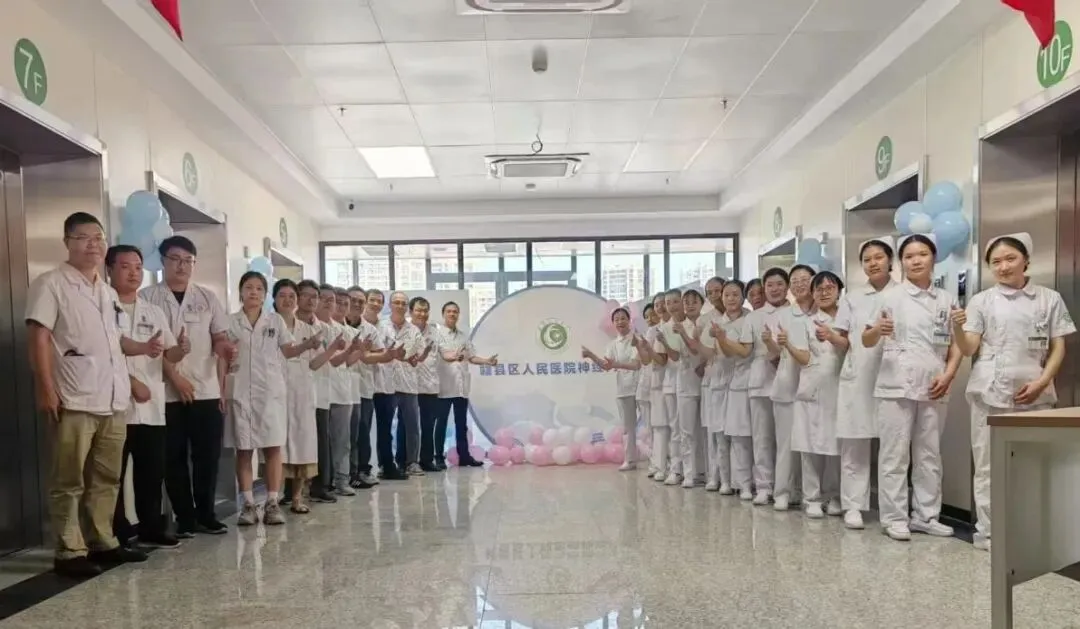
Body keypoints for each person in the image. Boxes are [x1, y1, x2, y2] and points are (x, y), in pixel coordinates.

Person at [26, 213, 149, 576]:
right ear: (67, 242)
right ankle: (69, 550)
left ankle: (102, 541)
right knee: (68, 479)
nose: (93, 244)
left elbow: (114, 342)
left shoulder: (107, 291)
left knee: (107, 477)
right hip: (74, 397)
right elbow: (39, 338)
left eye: (99, 237)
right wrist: (45, 387)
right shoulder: (50, 284)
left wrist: (141, 356)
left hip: (112, 399)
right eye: (84, 237)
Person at [954, 232, 1075, 551]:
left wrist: (1042, 382)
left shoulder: (1049, 298)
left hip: (1035, 390)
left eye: (1010, 258)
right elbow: (968, 348)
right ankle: (989, 532)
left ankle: (1031, 531)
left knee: (1034, 464)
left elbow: (1058, 346)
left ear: (1026, 260)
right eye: (996, 262)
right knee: (988, 465)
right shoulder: (981, 300)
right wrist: (957, 328)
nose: (1003, 266)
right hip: (989, 390)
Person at [863, 234, 962, 541]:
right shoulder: (890, 297)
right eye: (908, 256)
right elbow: (866, 339)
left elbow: (957, 344)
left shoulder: (946, 299)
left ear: (934, 258)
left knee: (929, 454)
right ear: (901, 262)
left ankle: (926, 516)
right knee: (894, 454)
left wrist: (949, 375)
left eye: (922, 254)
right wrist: (877, 330)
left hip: (934, 385)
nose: (916, 260)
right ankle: (894, 518)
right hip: (895, 385)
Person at [140, 235, 234, 537]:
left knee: (207, 457)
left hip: (205, 389)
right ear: (162, 261)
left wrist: (225, 349)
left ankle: (206, 514)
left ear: (194, 264)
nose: (181, 266)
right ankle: (185, 517)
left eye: (187, 260)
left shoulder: (207, 298)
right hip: (164, 392)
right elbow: (149, 346)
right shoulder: (147, 298)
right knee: (173, 458)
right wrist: (175, 378)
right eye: (175, 259)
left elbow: (219, 337)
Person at [223, 272, 322, 526]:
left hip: (270, 394)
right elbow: (222, 358)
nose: (253, 292)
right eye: (248, 287)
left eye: (259, 288)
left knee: (273, 448)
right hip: (241, 393)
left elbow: (288, 351)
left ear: (265, 295)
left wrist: (307, 344)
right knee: (243, 449)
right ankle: (247, 504)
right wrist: (221, 392)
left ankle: (272, 502)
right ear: (240, 291)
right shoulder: (230, 322)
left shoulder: (274, 321)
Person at [108, 245, 189, 550]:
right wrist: (131, 383)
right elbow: (104, 353)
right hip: (115, 405)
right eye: (125, 266)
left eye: (138, 267)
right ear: (110, 270)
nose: (133, 273)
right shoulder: (103, 306)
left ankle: (151, 527)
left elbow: (169, 353)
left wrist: (181, 349)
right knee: (112, 475)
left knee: (152, 472)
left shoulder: (152, 311)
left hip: (151, 407)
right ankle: (116, 531)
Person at [833, 236, 896, 530]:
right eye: (867, 259)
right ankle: (853, 506)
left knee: (893, 447)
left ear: (890, 260)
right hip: (858, 374)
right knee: (855, 442)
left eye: (878, 257)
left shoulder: (902, 294)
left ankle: (893, 510)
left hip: (894, 374)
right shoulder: (852, 298)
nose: (873, 263)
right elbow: (842, 337)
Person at [274, 279, 343, 514]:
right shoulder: (271, 325)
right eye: (284, 295)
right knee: (278, 445)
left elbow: (314, 363)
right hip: (276, 392)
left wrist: (333, 348)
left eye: (292, 296)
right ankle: (276, 496)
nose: (289, 300)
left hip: (304, 392)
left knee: (303, 444)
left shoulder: (311, 330)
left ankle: (297, 497)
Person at [785, 271, 845, 519]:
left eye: (829, 288)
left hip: (841, 387)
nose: (824, 292)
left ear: (839, 291)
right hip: (812, 386)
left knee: (836, 445)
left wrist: (834, 337)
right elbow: (804, 357)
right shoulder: (806, 323)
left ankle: (834, 495)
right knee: (808, 444)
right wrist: (787, 345)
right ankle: (812, 497)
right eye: (818, 289)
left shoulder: (848, 318)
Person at [739, 268, 790, 506]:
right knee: (762, 437)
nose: (775, 289)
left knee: (786, 439)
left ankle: (787, 489)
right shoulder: (754, 317)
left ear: (787, 286)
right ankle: (764, 486)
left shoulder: (796, 313)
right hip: (761, 381)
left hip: (789, 380)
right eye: (770, 285)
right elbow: (745, 349)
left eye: (779, 284)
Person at [769, 264, 813, 511]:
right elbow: (774, 351)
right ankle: (783, 492)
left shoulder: (822, 313)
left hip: (815, 389)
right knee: (786, 443)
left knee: (812, 443)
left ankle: (812, 494)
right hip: (787, 386)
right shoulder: (783, 315)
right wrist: (771, 342)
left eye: (804, 279)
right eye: (794, 281)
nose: (799, 284)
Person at [436, 301, 497, 468]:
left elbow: (472, 357)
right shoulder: (437, 334)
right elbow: (444, 355)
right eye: (449, 311)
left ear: (458, 315)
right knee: (441, 424)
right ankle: (438, 458)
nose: (452, 314)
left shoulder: (463, 336)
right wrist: (454, 357)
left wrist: (487, 361)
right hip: (444, 386)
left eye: (455, 311)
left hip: (461, 387)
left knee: (461, 424)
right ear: (443, 314)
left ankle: (464, 456)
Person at [582, 307, 641, 470]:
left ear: (629, 320)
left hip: (642, 386)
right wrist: (590, 355)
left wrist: (617, 364)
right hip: (624, 389)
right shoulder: (613, 345)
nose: (620, 322)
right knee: (628, 427)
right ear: (613, 323)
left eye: (623, 318)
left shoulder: (637, 340)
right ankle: (630, 460)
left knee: (652, 425)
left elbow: (636, 364)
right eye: (617, 319)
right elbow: (607, 365)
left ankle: (658, 462)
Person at [715, 280, 754, 499]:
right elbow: (721, 354)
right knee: (727, 435)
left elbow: (743, 352)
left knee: (747, 436)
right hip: (725, 384)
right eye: (727, 295)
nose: (731, 299)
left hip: (746, 381)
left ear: (743, 297)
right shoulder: (717, 323)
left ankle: (749, 483)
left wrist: (723, 339)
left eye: (735, 294)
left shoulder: (749, 319)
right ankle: (732, 481)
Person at [384, 291, 429, 475]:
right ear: (390, 305)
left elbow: (418, 355)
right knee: (385, 427)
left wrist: (419, 357)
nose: (400, 306)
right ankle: (386, 464)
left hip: (409, 383)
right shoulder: (382, 326)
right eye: (397, 302)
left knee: (412, 426)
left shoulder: (414, 330)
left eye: (403, 303)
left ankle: (412, 462)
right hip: (387, 383)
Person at [365, 290, 408, 480]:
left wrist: (398, 354)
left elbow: (394, 352)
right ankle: (362, 468)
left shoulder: (386, 327)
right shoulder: (359, 325)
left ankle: (387, 465)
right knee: (363, 429)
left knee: (385, 429)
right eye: (372, 300)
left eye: (379, 301)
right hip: (365, 384)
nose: (375, 304)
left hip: (385, 384)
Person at [310, 284, 343, 502]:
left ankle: (322, 484)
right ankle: (297, 489)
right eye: (323, 298)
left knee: (323, 438)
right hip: (304, 389)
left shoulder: (330, 328)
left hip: (323, 390)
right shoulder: (307, 325)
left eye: (332, 299)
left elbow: (334, 360)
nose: (328, 303)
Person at [670, 289, 706, 488]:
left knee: (706, 432)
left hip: (708, 382)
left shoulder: (707, 323)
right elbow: (676, 355)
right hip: (685, 383)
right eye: (687, 302)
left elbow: (703, 350)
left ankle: (706, 471)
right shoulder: (677, 326)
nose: (690, 305)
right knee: (686, 431)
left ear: (702, 303)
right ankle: (689, 473)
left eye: (694, 301)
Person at [348, 285, 383, 488]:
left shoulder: (370, 329)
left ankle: (362, 470)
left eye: (361, 301)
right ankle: (345, 474)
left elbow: (379, 352)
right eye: (354, 300)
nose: (357, 304)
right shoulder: (337, 325)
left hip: (364, 388)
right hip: (340, 389)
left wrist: (382, 354)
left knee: (362, 432)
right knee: (344, 435)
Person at [656, 289, 685, 485]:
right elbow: (662, 359)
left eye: (675, 301)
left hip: (692, 381)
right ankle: (676, 469)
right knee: (675, 428)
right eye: (668, 303)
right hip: (671, 383)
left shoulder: (691, 324)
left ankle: (694, 470)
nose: (672, 306)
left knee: (691, 429)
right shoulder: (663, 329)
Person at [411, 297, 443, 472]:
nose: (422, 314)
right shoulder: (407, 330)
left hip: (430, 385)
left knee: (428, 425)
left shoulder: (435, 332)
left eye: (425, 311)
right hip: (410, 385)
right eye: (418, 310)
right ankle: (406, 461)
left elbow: (443, 353)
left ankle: (427, 460)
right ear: (411, 312)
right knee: (408, 425)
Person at [643, 293, 670, 481]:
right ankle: (660, 465)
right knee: (660, 425)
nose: (660, 308)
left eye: (663, 304)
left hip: (676, 380)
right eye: (657, 305)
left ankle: (676, 466)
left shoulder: (677, 326)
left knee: (676, 428)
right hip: (658, 381)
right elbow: (646, 359)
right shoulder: (652, 331)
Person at [635, 303, 659, 477]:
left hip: (657, 386)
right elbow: (642, 361)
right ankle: (656, 462)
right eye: (647, 316)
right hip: (646, 386)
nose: (650, 319)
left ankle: (659, 463)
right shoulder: (647, 334)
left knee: (658, 428)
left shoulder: (659, 331)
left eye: (653, 314)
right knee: (652, 427)